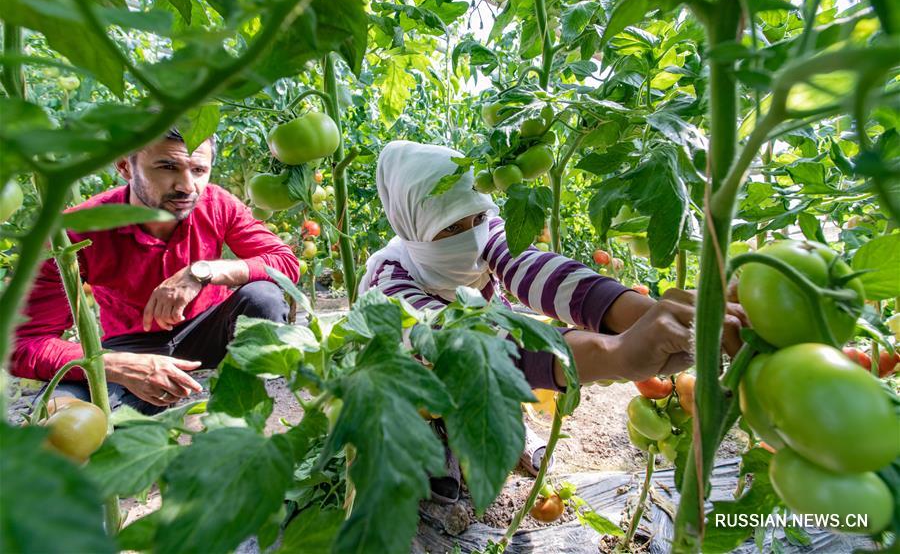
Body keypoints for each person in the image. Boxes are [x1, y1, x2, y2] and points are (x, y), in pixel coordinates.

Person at [359, 141, 746, 499]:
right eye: (451, 228)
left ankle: (509, 431)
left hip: (488, 352)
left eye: (477, 217)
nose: (473, 236)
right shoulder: (388, 283)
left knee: (503, 377)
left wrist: (641, 315)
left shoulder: (486, 233)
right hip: (413, 372)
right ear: (410, 224)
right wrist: (615, 353)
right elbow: (463, 346)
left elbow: (538, 270)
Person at [13, 129, 301, 414]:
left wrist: (203, 271)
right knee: (58, 414)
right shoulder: (73, 233)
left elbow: (284, 263)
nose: (187, 186)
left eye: (199, 170)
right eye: (167, 167)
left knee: (263, 296)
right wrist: (117, 366)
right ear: (126, 166)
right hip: (129, 347)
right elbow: (23, 343)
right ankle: (138, 406)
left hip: (208, 329)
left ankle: (240, 409)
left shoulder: (217, 204)